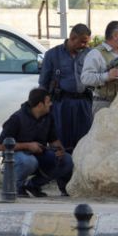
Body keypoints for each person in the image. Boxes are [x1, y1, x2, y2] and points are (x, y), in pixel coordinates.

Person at [38, 23, 93, 195]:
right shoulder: (53, 55)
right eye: (82, 42)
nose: (85, 45)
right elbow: (43, 84)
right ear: (72, 37)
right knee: (61, 145)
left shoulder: (90, 54)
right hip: (61, 105)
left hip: (83, 104)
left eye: (87, 42)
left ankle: (82, 183)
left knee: (84, 144)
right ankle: (64, 185)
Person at [0, 88, 73, 197]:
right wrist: (28, 145)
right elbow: (0, 146)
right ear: (40, 105)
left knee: (67, 160)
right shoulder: (17, 118)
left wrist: (60, 150)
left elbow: (54, 140)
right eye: (48, 102)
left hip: (39, 155)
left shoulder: (48, 117)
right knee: (28, 161)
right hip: (19, 157)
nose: (51, 104)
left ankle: (33, 185)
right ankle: (15, 186)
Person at [81, 20, 118, 114]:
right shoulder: (96, 54)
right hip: (103, 105)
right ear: (115, 36)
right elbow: (85, 78)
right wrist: (107, 76)